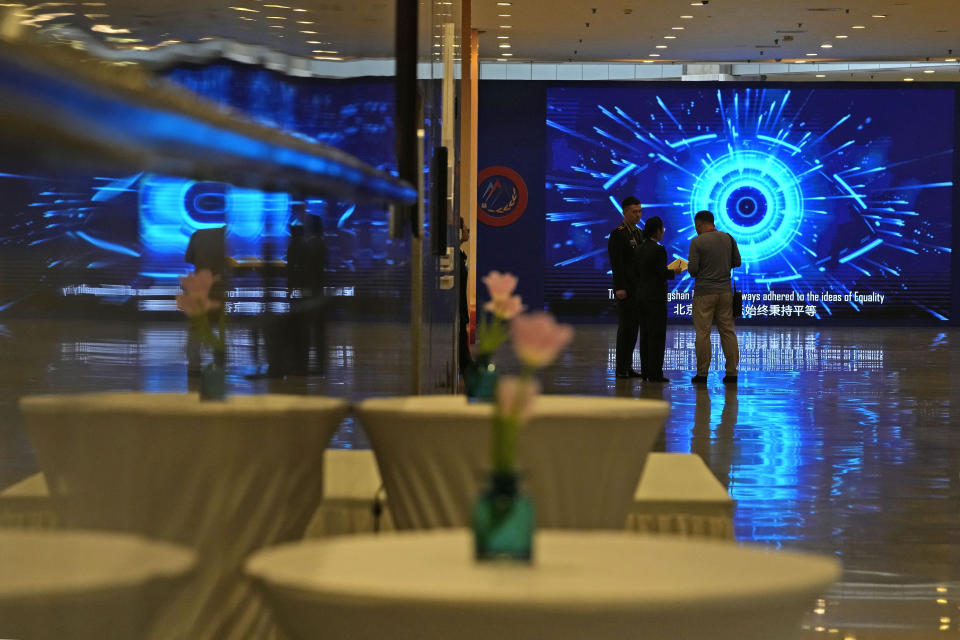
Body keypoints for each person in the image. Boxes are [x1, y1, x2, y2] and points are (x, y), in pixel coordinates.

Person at [687, 210, 741, 384]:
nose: (696, 229)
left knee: (703, 333)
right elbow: (737, 262)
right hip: (725, 293)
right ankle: (732, 373)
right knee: (728, 331)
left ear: (700, 224)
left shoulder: (697, 242)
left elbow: (693, 270)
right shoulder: (728, 238)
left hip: (704, 293)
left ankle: (702, 374)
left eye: (697, 226)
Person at [636, 216, 684, 382]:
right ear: (657, 231)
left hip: (641, 296)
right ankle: (655, 373)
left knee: (645, 335)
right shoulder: (658, 249)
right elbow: (661, 273)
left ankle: (645, 371)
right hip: (655, 297)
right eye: (662, 229)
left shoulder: (640, 247)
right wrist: (674, 272)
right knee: (656, 336)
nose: (663, 231)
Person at [607, 196, 644, 378]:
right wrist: (620, 287)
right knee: (626, 329)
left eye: (639, 212)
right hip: (626, 289)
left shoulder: (639, 233)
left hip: (638, 288)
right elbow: (617, 263)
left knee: (633, 328)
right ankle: (621, 367)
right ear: (624, 212)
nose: (637, 215)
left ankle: (628, 366)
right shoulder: (618, 233)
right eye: (634, 212)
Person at [184, 226, 226, 376]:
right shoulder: (231, 239)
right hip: (221, 287)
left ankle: (193, 366)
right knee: (221, 328)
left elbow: (188, 258)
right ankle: (219, 363)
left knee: (196, 328)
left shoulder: (198, 235)